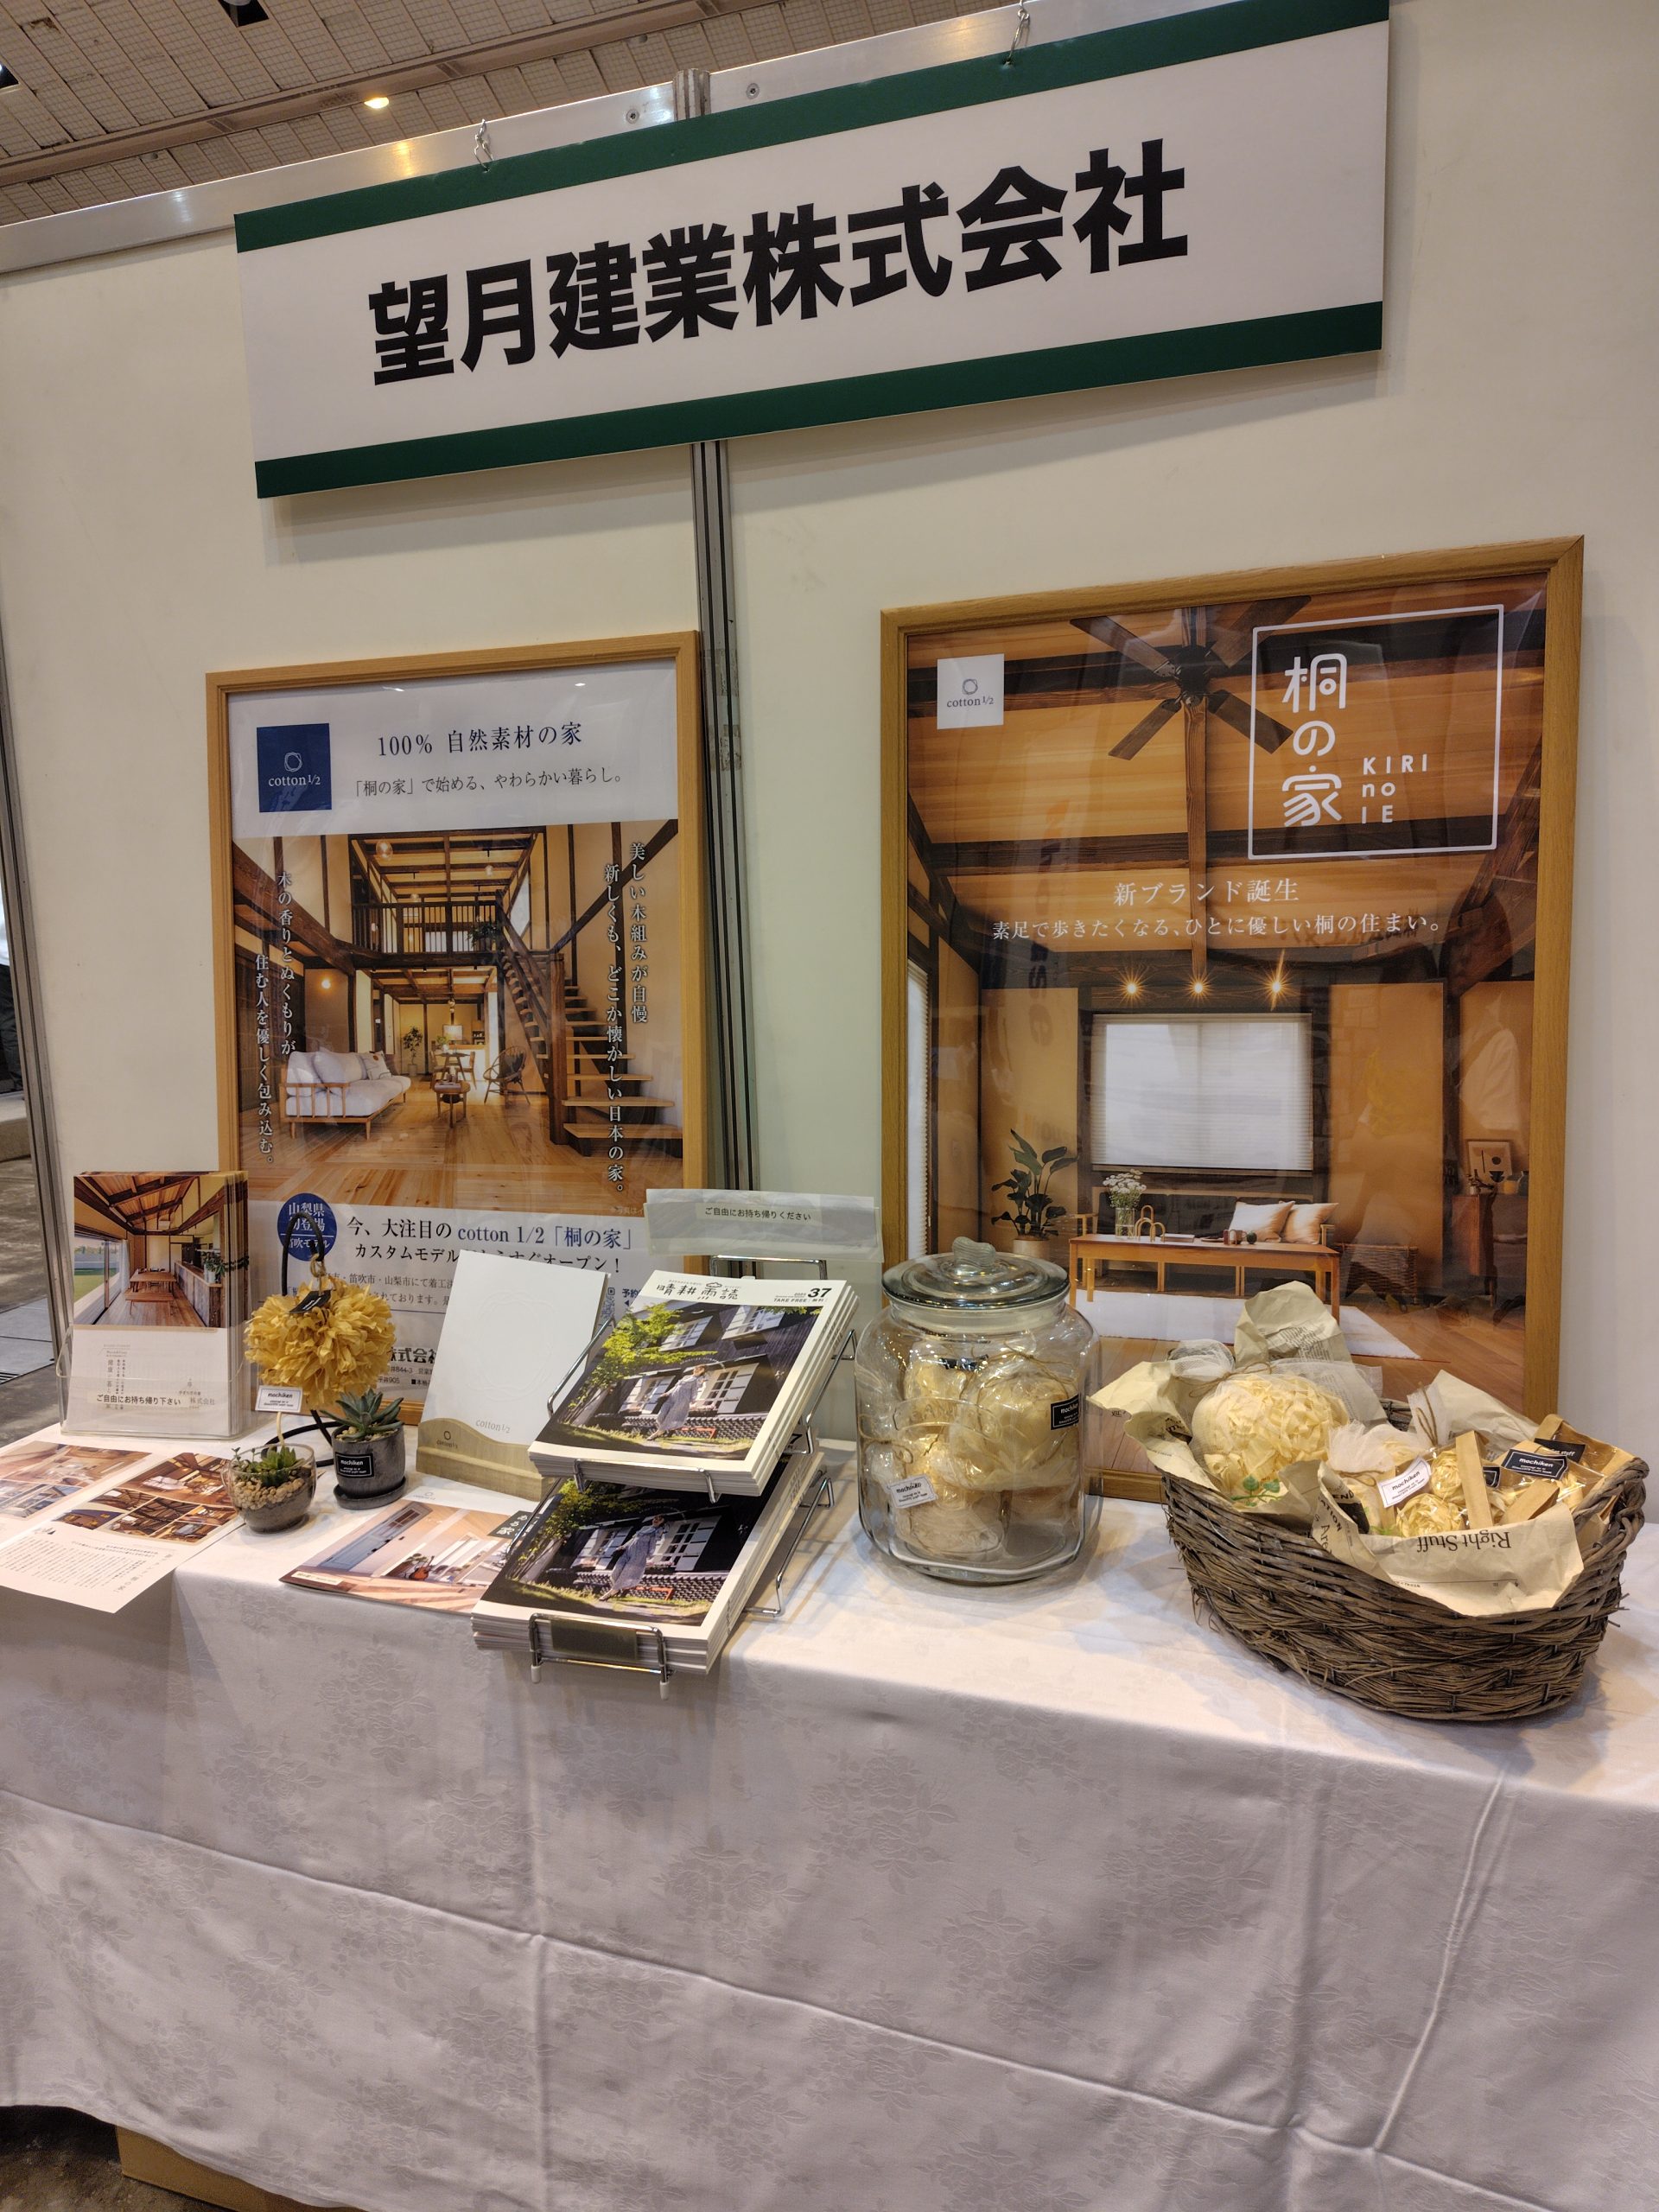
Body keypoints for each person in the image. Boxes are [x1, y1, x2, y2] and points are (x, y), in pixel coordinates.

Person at [606, 1516, 662, 1597]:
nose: (657, 1520)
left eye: (660, 1519)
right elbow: (633, 1538)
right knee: (617, 1569)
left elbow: (653, 1544)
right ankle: (617, 1589)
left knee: (626, 1573)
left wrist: (650, 1555)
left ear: (662, 1522)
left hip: (639, 1554)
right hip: (628, 1551)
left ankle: (611, 1592)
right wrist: (623, 1546)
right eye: (656, 1518)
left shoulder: (657, 1531)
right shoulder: (645, 1528)